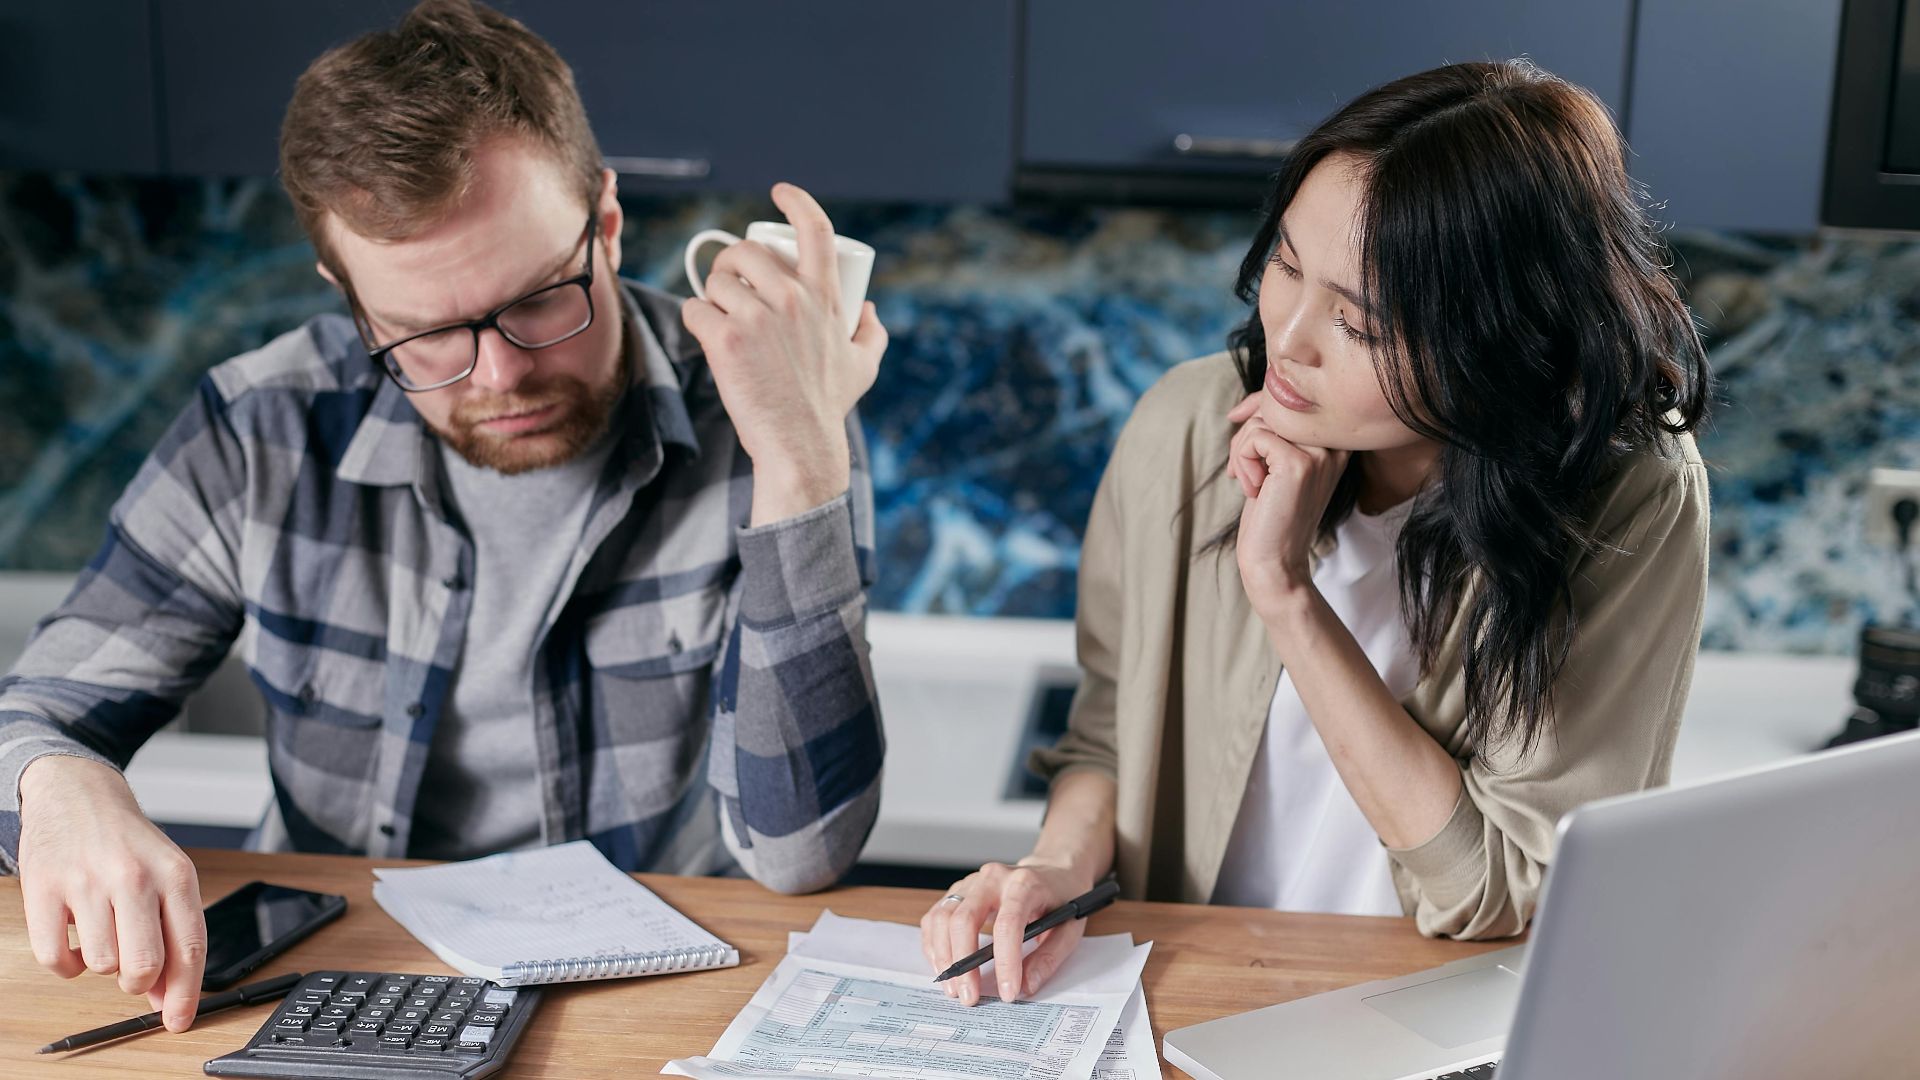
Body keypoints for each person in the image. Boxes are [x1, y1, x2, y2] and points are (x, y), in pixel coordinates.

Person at [0, 0, 887, 1032]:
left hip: (645, 997)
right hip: (330, 986)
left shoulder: (773, 409)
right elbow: (34, 716)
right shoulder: (261, 426)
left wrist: (801, 460)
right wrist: (62, 785)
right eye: (422, 335)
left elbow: (803, 852)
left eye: (542, 299)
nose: (501, 374)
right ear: (346, 292)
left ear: (604, 223)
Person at [922, 59, 1712, 1007]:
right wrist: (1053, 869)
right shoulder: (1187, 425)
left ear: (1496, 338)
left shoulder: (1627, 500)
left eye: (1359, 322)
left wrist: (1284, 591)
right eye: (1287, 265)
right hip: (1191, 999)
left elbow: (1496, 888)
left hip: (1430, 1020)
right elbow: (1108, 736)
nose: (1288, 338)